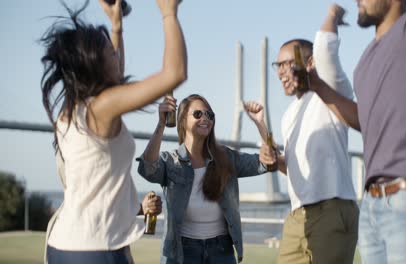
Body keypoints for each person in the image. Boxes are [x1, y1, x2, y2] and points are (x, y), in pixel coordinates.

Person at [40, 0, 187, 262]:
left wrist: (116, 27)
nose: (117, 57)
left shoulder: (75, 107)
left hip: (67, 244)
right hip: (94, 249)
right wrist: (168, 12)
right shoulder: (101, 108)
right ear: (95, 63)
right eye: (111, 52)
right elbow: (174, 73)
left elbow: (115, 76)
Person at [309, 0, 406, 263]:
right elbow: (365, 120)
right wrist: (319, 87)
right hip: (371, 204)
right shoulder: (365, 60)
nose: (357, 1)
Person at [259, 4, 359, 264]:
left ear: (309, 63)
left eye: (287, 63)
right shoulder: (289, 115)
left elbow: (325, 48)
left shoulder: (330, 90)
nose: (280, 71)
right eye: (277, 65)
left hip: (332, 209)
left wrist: (333, 15)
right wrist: (274, 161)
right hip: (297, 216)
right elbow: (293, 167)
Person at [137, 94, 270, 264]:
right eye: (198, 114)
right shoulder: (170, 162)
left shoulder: (226, 158)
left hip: (221, 251)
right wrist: (161, 124)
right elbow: (147, 168)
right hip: (182, 253)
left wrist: (260, 123)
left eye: (210, 115)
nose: (205, 118)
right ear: (183, 120)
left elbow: (268, 161)